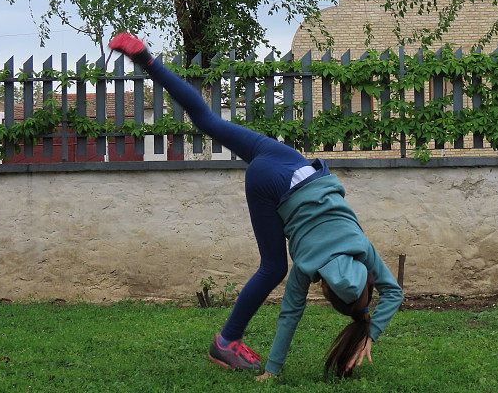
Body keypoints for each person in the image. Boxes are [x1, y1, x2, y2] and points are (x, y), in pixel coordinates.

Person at [108, 33, 403, 379]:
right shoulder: (307, 268)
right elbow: (289, 316)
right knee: (273, 267)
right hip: (268, 185)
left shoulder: (362, 249)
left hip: (291, 162)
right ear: (324, 288)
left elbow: (394, 293)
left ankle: (147, 60)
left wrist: (370, 325)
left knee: (207, 119)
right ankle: (226, 340)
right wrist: (273, 372)